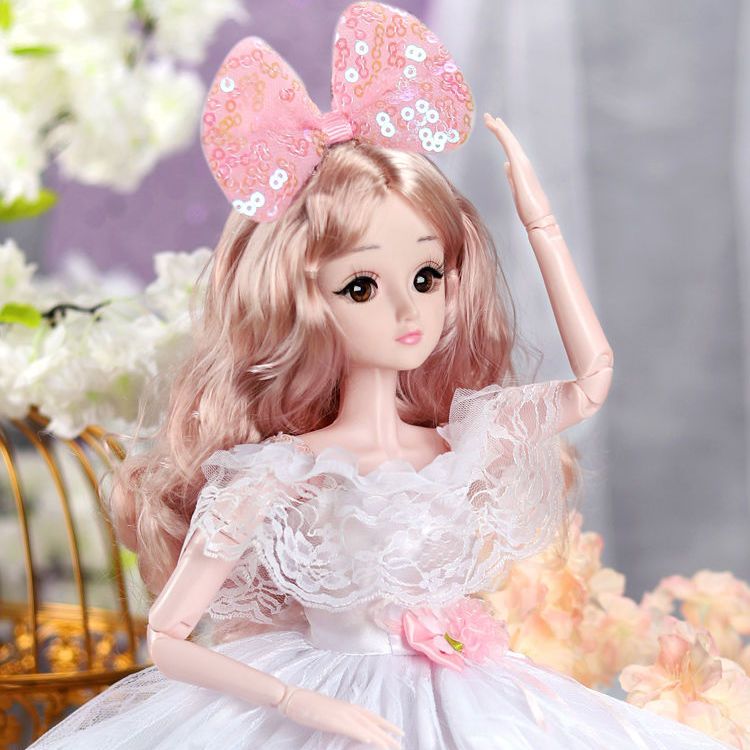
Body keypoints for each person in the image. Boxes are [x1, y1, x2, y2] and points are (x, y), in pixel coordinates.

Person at [28, 3, 733, 748]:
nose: (407, 309)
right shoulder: (276, 474)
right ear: (303, 301)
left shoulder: (465, 440)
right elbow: (169, 636)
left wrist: (540, 224)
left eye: (426, 276)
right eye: (361, 286)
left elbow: (592, 380)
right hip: (326, 698)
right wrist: (297, 702)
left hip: (466, 700)